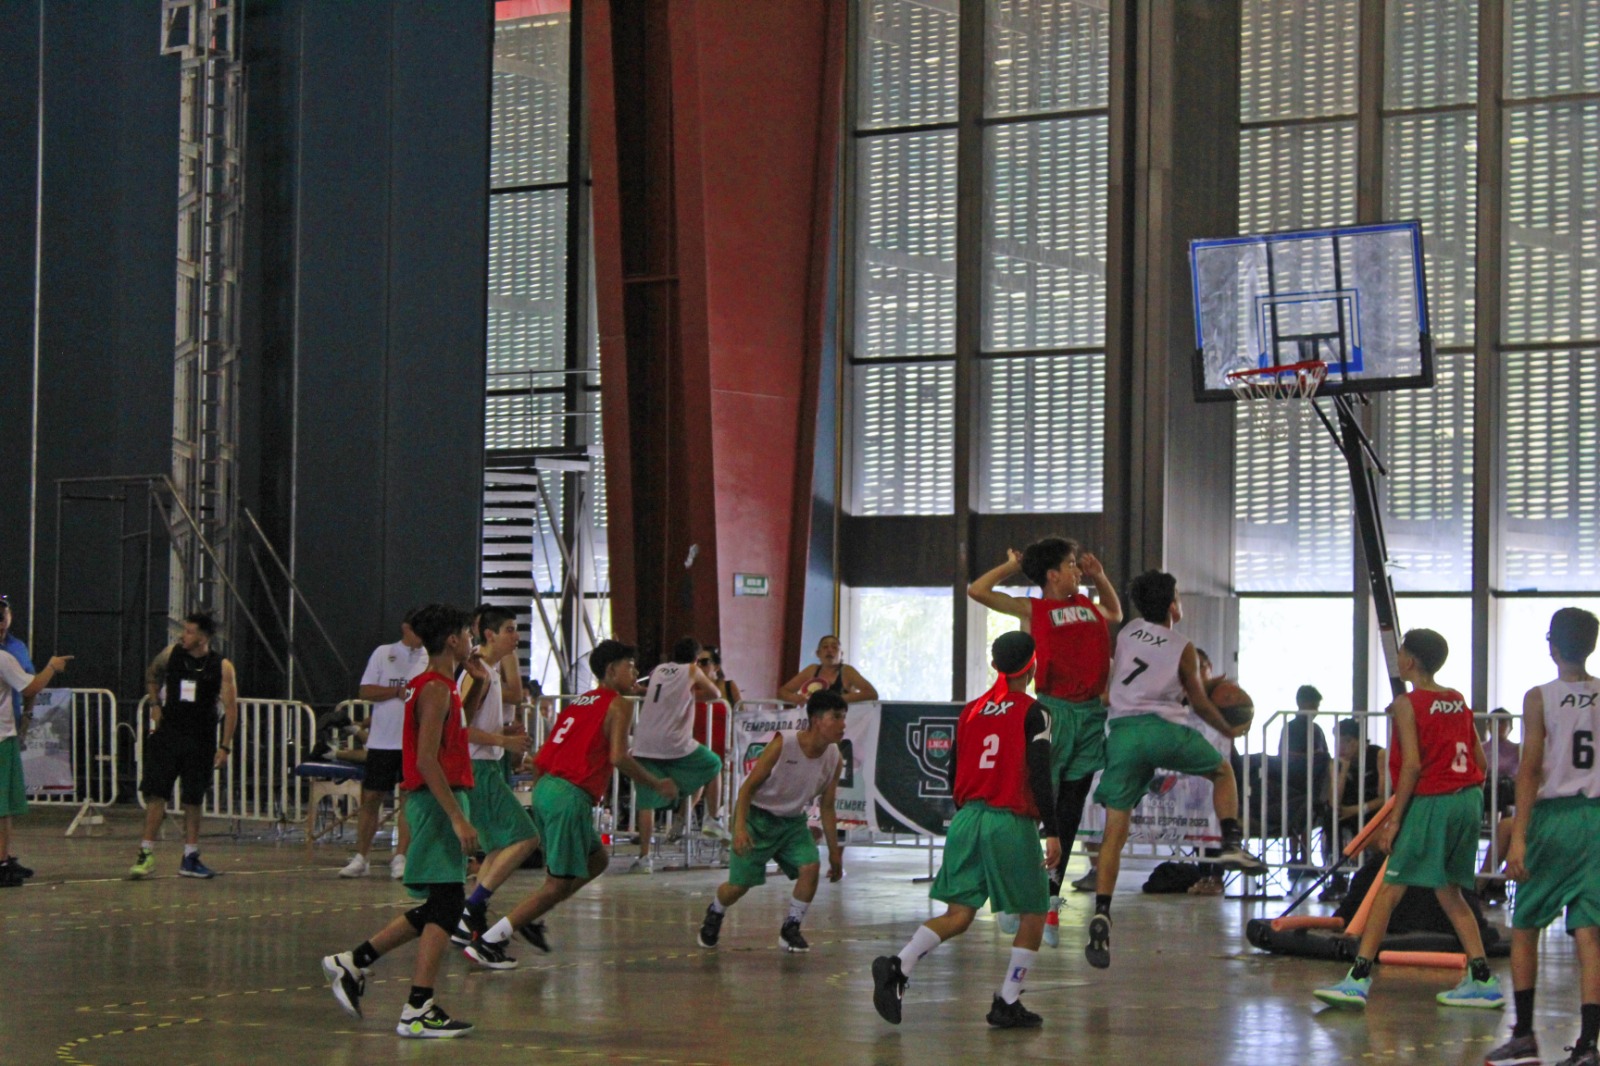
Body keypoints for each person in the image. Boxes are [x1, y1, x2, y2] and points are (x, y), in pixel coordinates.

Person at [871, 631, 1060, 1029]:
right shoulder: (1035, 712)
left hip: (968, 818)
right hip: (1009, 821)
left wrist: (970, 811)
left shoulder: (971, 711)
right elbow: (1040, 773)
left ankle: (899, 966)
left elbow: (952, 769)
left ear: (995, 666)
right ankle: (1008, 1000)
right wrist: (1054, 831)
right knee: (1034, 912)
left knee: (958, 915)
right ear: (1032, 667)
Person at [1313, 628, 1505, 1011]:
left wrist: (1396, 819)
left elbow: (1413, 765)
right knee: (1450, 892)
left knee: (1388, 890)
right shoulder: (1457, 699)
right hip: (1469, 798)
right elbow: (1481, 763)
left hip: (1434, 799)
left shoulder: (1406, 703)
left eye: (1400, 652)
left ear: (1410, 661)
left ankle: (1357, 980)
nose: (1397, 657)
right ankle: (1482, 979)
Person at [1086, 570, 1264, 970]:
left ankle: (1102, 910)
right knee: (1222, 772)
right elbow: (1198, 702)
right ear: (1172, 605)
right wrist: (1227, 728)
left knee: (1115, 831)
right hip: (1161, 730)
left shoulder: (1128, 632)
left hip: (1123, 734)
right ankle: (1231, 842)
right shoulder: (1183, 647)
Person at [321, 603, 483, 1038]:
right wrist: (457, 818)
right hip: (436, 802)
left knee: (440, 905)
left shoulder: (439, 685)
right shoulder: (433, 689)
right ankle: (416, 1008)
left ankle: (355, 962)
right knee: (447, 905)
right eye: (468, 634)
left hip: (439, 800)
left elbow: (453, 736)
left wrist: (480, 682)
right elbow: (427, 759)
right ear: (453, 639)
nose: (472, 641)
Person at [472, 640, 681, 956]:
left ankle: (531, 917)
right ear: (611, 670)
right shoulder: (618, 705)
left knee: (597, 860)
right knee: (555, 885)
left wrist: (544, 799)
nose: (635, 672)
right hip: (568, 796)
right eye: (630, 666)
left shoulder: (580, 702)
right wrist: (655, 783)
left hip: (548, 788)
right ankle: (491, 940)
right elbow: (619, 757)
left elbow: (544, 757)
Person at [967, 537, 1121, 944]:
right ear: (1052, 574)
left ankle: (1050, 898)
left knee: (1069, 811)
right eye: (1071, 564)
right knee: (1034, 807)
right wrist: (1010, 567)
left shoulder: (1087, 604)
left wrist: (1101, 578)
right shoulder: (1033, 609)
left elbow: (1116, 612)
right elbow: (977, 591)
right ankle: (1010, 894)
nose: (1077, 570)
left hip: (1091, 715)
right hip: (1055, 710)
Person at [1485, 607, 1600, 1066]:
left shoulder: (1539, 698)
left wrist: (1518, 836)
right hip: (1596, 819)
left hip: (1555, 818)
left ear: (1552, 646)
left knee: (1526, 925)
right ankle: (1588, 1045)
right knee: (1589, 931)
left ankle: (1524, 1036)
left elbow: (1529, 769)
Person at [697, 689, 846, 953]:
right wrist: (739, 829)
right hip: (757, 818)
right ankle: (716, 911)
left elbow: (827, 806)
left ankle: (791, 928)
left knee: (811, 866)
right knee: (738, 886)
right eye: (836, 717)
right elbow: (747, 789)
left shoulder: (834, 757)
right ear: (815, 720)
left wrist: (835, 853)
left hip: (792, 822)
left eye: (844, 717)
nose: (842, 724)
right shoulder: (783, 744)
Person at [449, 607, 540, 969]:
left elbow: (481, 723)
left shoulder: (492, 671)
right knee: (526, 838)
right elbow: (460, 729)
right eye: (509, 630)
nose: (515, 637)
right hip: (478, 767)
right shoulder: (476, 673)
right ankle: (471, 908)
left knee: (500, 847)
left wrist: (505, 734)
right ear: (489, 634)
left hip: (487, 764)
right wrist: (503, 741)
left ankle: (469, 916)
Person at [129, 613, 238, 880]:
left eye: (189, 632)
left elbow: (231, 708)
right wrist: (155, 704)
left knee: (193, 798)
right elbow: (152, 674)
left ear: (203, 637)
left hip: (200, 738)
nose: (183, 636)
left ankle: (190, 856)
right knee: (157, 793)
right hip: (169, 734)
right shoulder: (171, 654)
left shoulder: (222, 667)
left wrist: (224, 746)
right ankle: (145, 852)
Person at [341, 611, 429, 879]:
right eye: (416, 630)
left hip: (411, 741)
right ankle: (361, 857)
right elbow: (365, 690)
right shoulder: (383, 653)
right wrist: (396, 691)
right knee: (371, 798)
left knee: (408, 799)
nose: (421, 636)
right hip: (382, 741)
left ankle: (401, 856)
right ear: (405, 628)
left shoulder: (429, 657)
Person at [629, 636, 726, 871]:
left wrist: (643, 691)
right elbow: (715, 693)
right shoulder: (692, 670)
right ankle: (712, 819)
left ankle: (644, 858)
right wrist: (692, 695)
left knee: (645, 802)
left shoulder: (659, 670)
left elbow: (657, 693)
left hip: (644, 742)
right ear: (696, 658)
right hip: (673, 742)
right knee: (714, 764)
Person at [0, 639, 72, 887]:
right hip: (1, 739)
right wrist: (52, 667)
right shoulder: (3, 659)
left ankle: (3, 858)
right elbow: (31, 687)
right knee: (2, 807)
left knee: (5, 806)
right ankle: (1, 865)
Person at [1326, 717, 1388, 902]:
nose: (1342, 747)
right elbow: (1333, 802)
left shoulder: (1379, 755)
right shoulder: (1336, 762)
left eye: (1347, 741)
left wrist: (1357, 809)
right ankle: (1338, 877)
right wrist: (1342, 771)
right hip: (1348, 810)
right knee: (1330, 818)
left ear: (1360, 741)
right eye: (1339, 741)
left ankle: (1374, 876)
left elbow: (1385, 797)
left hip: (1373, 809)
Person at [778, 635, 878, 706]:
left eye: (834, 647)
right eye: (825, 647)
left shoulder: (847, 671)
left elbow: (872, 694)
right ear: (818, 653)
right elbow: (782, 692)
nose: (830, 650)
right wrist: (795, 698)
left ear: (841, 654)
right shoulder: (812, 670)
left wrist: (838, 699)